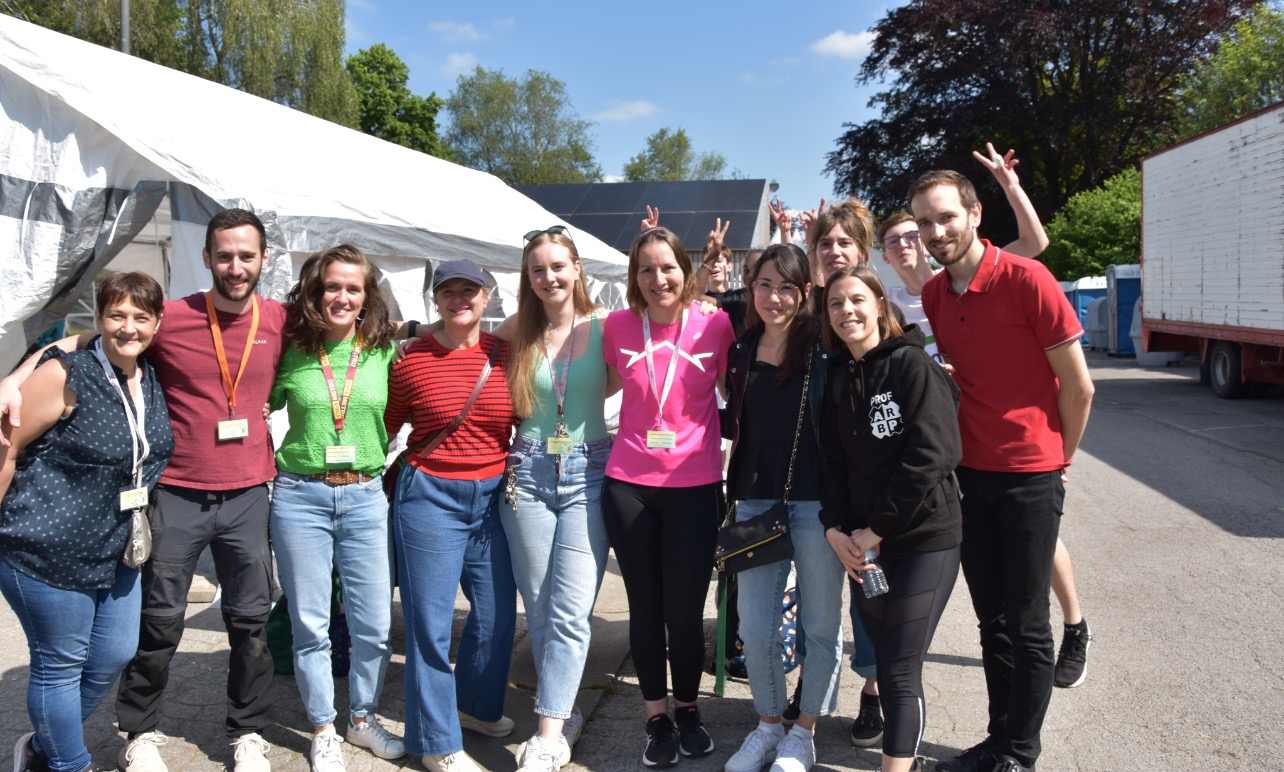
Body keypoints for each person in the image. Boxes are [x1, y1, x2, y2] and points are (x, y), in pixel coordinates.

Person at [0, 209, 288, 772]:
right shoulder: (169, 318)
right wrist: (15, 375)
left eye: (246, 255)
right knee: (159, 620)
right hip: (175, 493)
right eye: (224, 255)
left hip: (250, 491)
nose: (235, 266)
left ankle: (247, 731)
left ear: (263, 261)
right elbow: (84, 341)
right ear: (206, 258)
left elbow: (354, 324)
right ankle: (140, 731)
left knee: (251, 619)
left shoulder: (280, 318)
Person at [879, 146, 1093, 688]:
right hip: (969, 470)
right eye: (920, 224)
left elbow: (1079, 387)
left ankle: (1024, 739)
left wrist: (1058, 458)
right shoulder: (931, 294)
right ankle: (1002, 740)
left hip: (1029, 467)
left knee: (1027, 616)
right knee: (994, 620)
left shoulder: (1020, 277)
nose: (929, 232)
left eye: (943, 218)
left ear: (974, 214)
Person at [1, 273, 174, 772]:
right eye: (116, 315)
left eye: (141, 317)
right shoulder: (66, 374)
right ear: (98, 319)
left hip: (116, 548)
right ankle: (69, 763)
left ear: (157, 323)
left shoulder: (151, 374)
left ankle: (39, 748)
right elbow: (7, 447)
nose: (128, 327)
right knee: (59, 666)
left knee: (112, 657)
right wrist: (15, 375)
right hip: (46, 547)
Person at [820, 265, 963, 772]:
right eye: (836, 304)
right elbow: (832, 464)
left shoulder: (911, 365)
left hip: (926, 539)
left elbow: (935, 453)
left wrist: (873, 529)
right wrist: (834, 529)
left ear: (879, 304)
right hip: (866, 548)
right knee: (887, 659)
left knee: (900, 670)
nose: (846, 311)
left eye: (857, 299)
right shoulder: (837, 378)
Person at [267, 246, 405, 771]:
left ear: (367, 297)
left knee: (373, 624)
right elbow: (255, 401)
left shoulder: (382, 351)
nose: (342, 297)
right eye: (332, 287)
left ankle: (363, 718)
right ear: (314, 291)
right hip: (301, 497)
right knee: (311, 623)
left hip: (366, 496)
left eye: (353, 288)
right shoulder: (291, 351)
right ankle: (323, 726)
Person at [601, 226, 735, 768]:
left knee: (684, 613)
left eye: (668, 267)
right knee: (646, 607)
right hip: (629, 486)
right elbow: (596, 384)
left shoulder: (715, 323)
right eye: (647, 269)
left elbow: (740, 392)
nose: (659, 279)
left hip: (696, 486)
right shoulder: (615, 325)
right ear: (635, 277)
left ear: (686, 269)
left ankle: (688, 709)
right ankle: (656, 716)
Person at [384, 259, 518, 772]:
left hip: (491, 498)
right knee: (430, 625)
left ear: (487, 298)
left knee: (496, 612)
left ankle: (475, 707)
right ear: (435, 300)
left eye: (471, 290)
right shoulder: (410, 359)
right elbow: (388, 426)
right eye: (449, 291)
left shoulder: (507, 355)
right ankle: (435, 741)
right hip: (429, 495)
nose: (460, 299)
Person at [720, 244, 845, 772]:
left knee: (819, 623)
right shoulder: (742, 348)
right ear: (752, 290)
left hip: (818, 500)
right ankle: (768, 725)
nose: (775, 297)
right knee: (755, 623)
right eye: (765, 285)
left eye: (787, 286)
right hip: (756, 496)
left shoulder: (824, 345)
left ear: (806, 291)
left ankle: (805, 731)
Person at [498, 226, 613, 772]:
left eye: (558, 266)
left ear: (577, 269)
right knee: (541, 605)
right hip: (528, 473)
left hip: (588, 472)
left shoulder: (606, 328)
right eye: (538, 269)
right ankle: (562, 715)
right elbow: (455, 335)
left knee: (571, 609)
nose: (549, 278)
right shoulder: (517, 330)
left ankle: (545, 735)